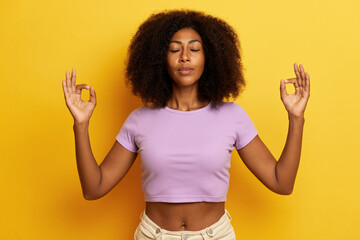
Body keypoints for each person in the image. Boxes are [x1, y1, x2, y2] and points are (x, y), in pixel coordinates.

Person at [62, 9, 310, 240]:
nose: (184, 57)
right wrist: (81, 125)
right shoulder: (139, 120)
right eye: (174, 49)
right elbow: (93, 189)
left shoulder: (232, 116)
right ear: (160, 58)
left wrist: (296, 118)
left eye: (194, 49)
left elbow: (282, 182)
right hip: (153, 235)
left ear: (209, 56)